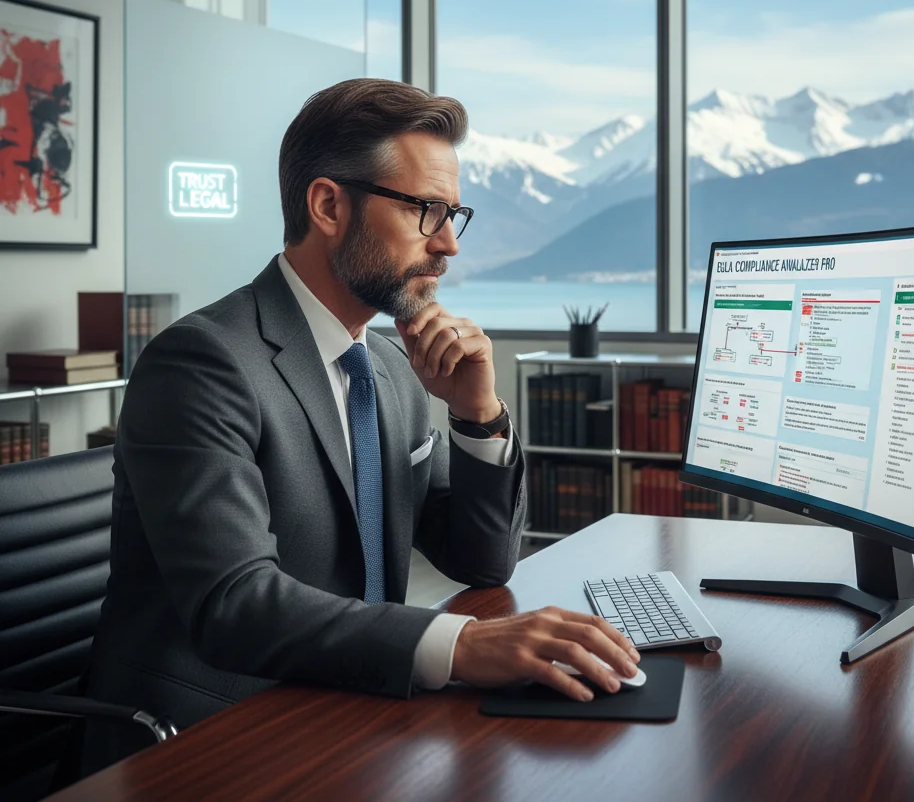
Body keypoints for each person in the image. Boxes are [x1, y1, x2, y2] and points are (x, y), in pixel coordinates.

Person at [81, 78, 639, 773]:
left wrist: (476, 414)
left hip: (349, 710)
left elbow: (483, 560)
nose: (448, 246)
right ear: (328, 205)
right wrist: (459, 645)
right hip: (200, 741)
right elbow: (236, 604)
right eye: (426, 211)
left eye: (453, 214)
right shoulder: (202, 363)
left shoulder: (388, 365)